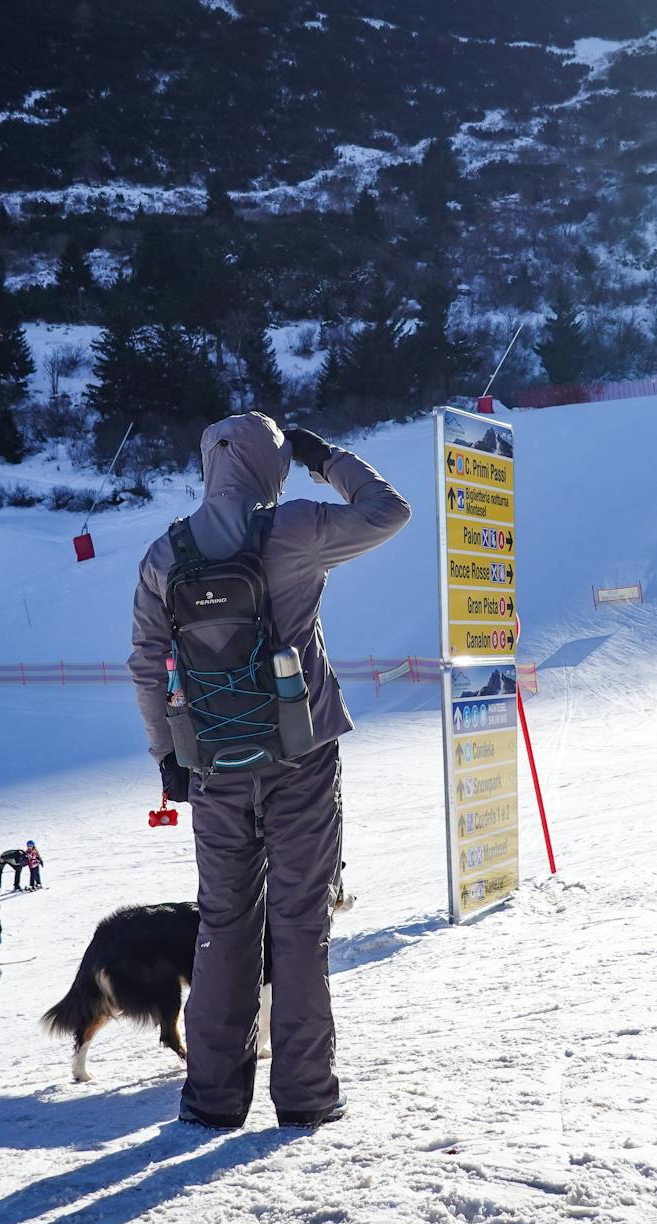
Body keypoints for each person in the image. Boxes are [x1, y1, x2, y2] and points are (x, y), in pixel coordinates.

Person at [129, 413, 409, 1129]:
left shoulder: (165, 554)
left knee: (222, 925)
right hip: (302, 755)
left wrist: (169, 756)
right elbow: (389, 511)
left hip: (215, 766)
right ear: (270, 464)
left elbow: (145, 665)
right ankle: (307, 1095)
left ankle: (213, 1099)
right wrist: (327, 456)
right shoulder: (294, 528)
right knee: (298, 922)